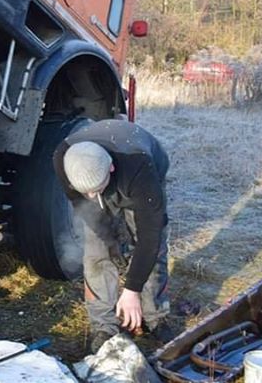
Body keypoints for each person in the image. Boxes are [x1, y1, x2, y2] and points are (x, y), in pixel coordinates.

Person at [53, 119, 171, 353]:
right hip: (99, 170)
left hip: (139, 174)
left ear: (111, 169)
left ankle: (155, 315)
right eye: (85, 191)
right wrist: (111, 242)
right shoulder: (64, 159)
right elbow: (84, 208)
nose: (91, 195)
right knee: (96, 253)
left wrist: (131, 289)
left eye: (96, 189)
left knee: (151, 248)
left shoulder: (140, 168)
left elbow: (150, 237)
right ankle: (104, 327)